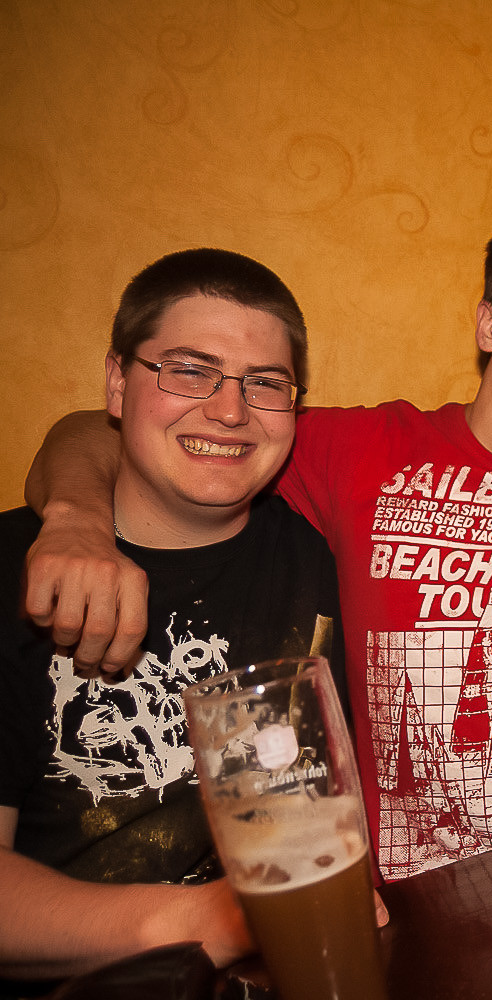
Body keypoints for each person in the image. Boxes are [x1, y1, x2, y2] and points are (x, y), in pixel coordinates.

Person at [21, 201, 492, 883]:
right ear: (489, 324)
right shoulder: (359, 452)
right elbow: (112, 430)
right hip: (432, 906)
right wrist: (78, 521)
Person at [0, 249, 345, 985]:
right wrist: (212, 920)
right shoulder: (16, 571)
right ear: (117, 382)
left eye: (266, 383)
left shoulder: (322, 544)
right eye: (189, 371)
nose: (230, 411)